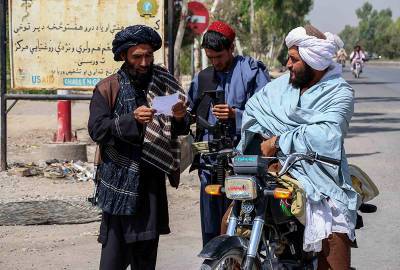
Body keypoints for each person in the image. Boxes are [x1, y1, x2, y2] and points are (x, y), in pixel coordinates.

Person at [237, 25, 360, 269]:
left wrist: (279, 141)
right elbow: (253, 110)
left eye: (294, 59)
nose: (288, 64)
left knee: (332, 229)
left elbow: (327, 135)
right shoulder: (281, 86)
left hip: (320, 177)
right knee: (232, 216)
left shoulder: (340, 93)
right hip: (274, 173)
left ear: (312, 61)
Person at [88, 25, 190, 270]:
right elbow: (97, 129)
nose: (144, 62)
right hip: (118, 186)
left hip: (151, 186)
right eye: (137, 56)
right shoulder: (107, 88)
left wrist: (178, 116)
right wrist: (131, 120)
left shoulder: (164, 82)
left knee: (145, 261)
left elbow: (180, 126)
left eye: (149, 56)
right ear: (124, 56)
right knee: (112, 261)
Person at [188, 21, 270, 246]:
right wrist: (177, 113)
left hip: (243, 162)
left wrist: (236, 114)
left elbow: (268, 116)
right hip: (209, 165)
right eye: (211, 58)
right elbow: (188, 111)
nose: (216, 63)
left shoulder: (252, 71)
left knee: (243, 224)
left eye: (220, 57)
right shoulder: (203, 77)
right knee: (211, 225)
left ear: (232, 47)